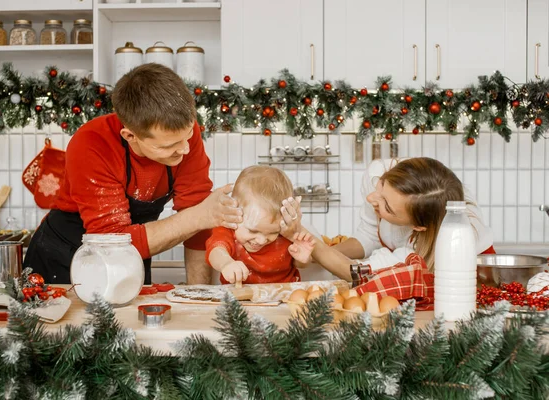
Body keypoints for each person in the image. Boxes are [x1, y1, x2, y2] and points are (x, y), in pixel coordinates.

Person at [24, 63, 243, 285]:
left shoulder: (182, 134)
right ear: (130, 136)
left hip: (134, 256)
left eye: (187, 136)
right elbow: (112, 243)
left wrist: (199, 296)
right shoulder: (91, 144)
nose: (185, 149)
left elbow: (198, 228)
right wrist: (198, 216)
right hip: (64, 258)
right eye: (168, 146)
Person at [280, 157, 494, 281]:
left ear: (418, 227)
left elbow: (358, 273)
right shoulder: (379, 172)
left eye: (386, 207)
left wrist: (298, 233)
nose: (371, 198)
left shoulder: (428, 249)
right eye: (381, 186)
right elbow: (369, 237)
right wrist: (315, 254)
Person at [206, 165, 315, 284]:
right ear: (233, 213)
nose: (262, 240)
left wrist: (303, 260)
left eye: (273, 232)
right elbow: (216, 251)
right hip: (238, 298)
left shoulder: (286, 231)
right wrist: (226, 263)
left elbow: (299, 264)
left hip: (283, 295)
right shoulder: (227, 229)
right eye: (253, 231)